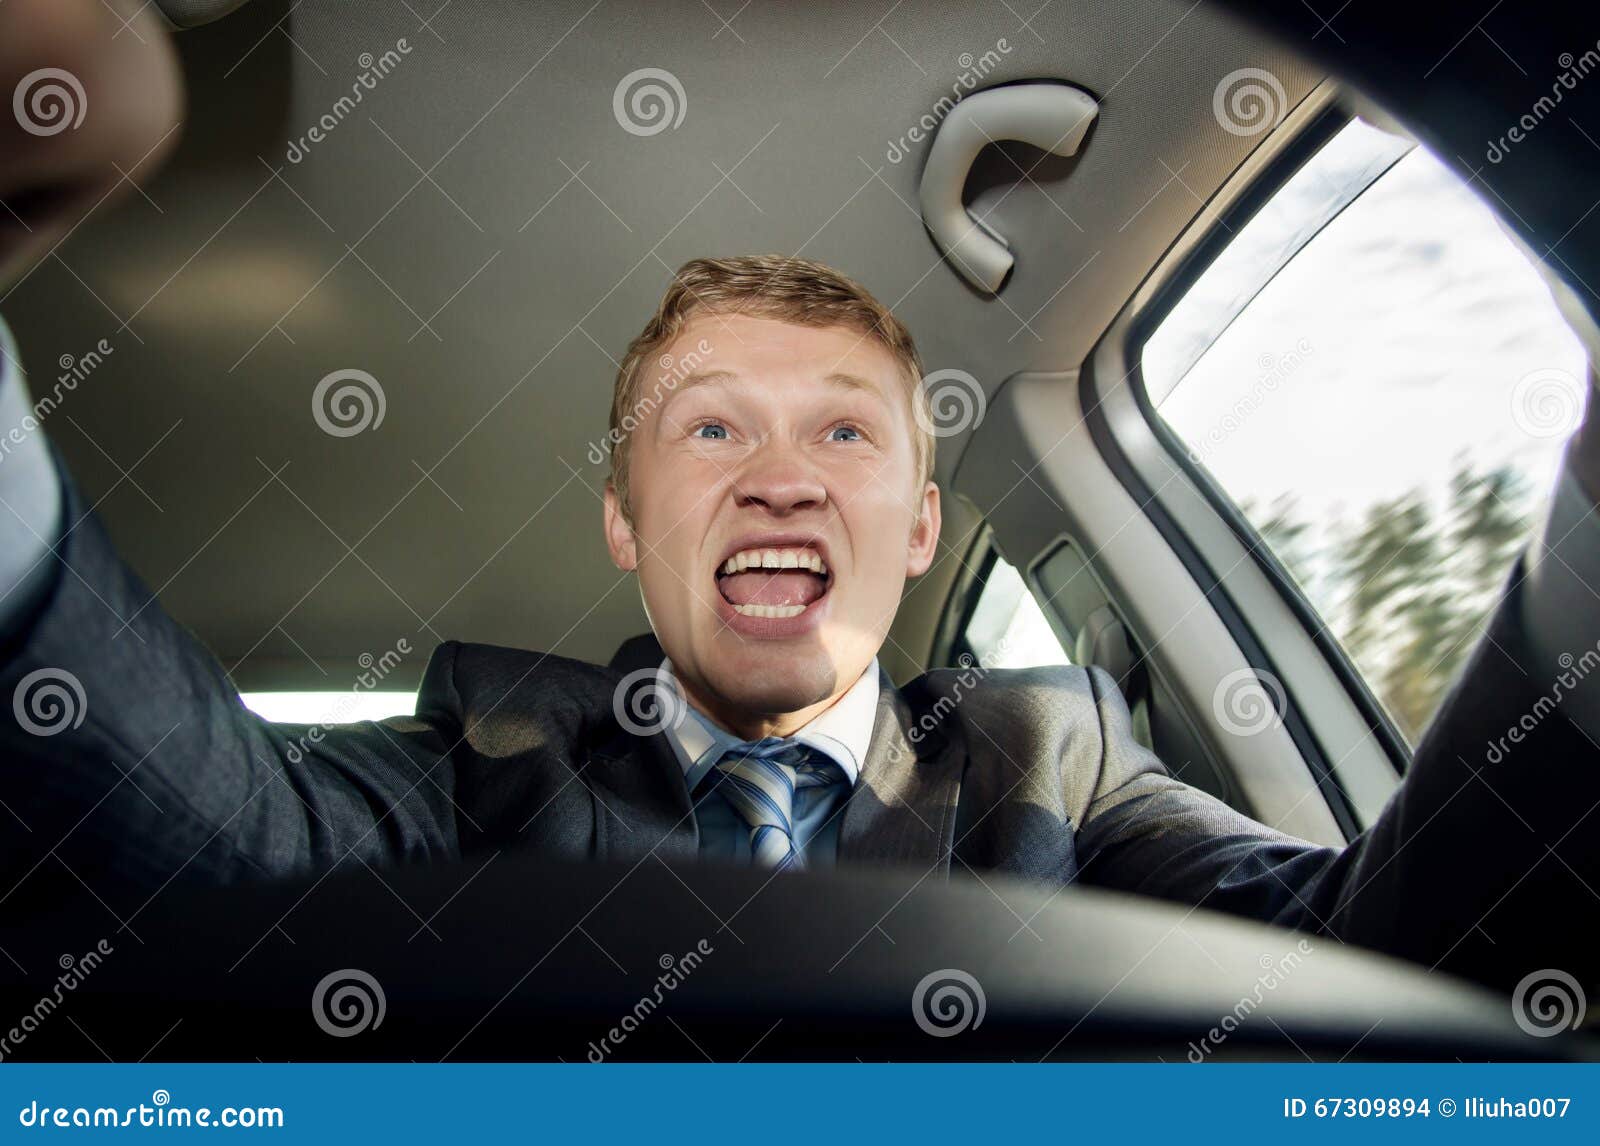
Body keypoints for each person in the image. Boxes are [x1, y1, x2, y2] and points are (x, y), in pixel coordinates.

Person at [2, 0, 1597, 996]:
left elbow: (1389, 972)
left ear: (923, 529)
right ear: (626, 525)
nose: (778, 476)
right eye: (711, 430)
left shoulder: (1060, 753)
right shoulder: (485, 750)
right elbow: (224, 854)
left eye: (843, 433)